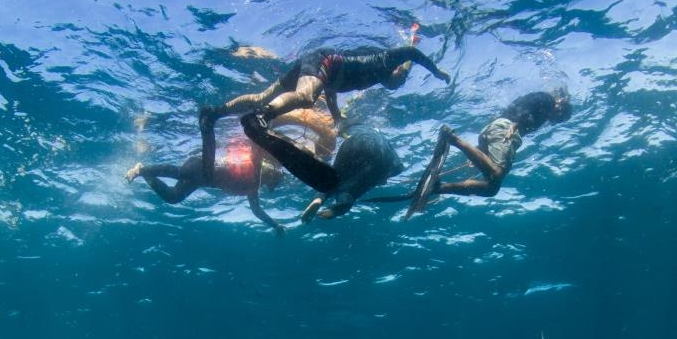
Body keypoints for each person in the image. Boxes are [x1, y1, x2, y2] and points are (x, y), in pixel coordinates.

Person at [200, 45, 450, 180]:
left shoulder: (373, 77)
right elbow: (410, 53)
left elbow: (330, 91)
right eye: (399, 78)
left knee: (263, 95)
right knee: (306, 98)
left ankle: (214, 112)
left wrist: (337, 117)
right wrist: (435, 70)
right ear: (395, 71)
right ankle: (263, 116)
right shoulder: (384, 60)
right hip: (322, 61)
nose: (397, 84)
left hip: (318, 65)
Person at [126, 108, 336, 234]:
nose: (271, 184)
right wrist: (269, 122)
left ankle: (145, 174)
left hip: (203, 179)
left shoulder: (253, 188)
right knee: (180, 172)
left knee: (173, 197)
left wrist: (275, 225)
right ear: (270, 173)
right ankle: (143, 168)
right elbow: (259, 145)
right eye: (273, 180)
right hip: (201, 165)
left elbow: (257, 211)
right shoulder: (255, 167)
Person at [380, 90, 572, 219]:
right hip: (505, 129)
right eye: (560, 117)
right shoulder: (547, 100)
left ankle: (438, 187)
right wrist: (517, 123)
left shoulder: (545, 111)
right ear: (561, 105)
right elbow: (524, 105)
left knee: (491, 188)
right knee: (496, 175)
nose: (555, 120)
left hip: (496, 129)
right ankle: (452, 139)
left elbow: (515, 109)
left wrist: (482, 152)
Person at [240, 113, 404, 221]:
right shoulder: (390, 155)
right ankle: (340, 206)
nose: (383, 184)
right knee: (354, 188)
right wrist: (382, 175)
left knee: (334, 177)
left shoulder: (354, 128)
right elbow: (395, 168)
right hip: (378, 154)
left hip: (352, 144)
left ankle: (319, 198)